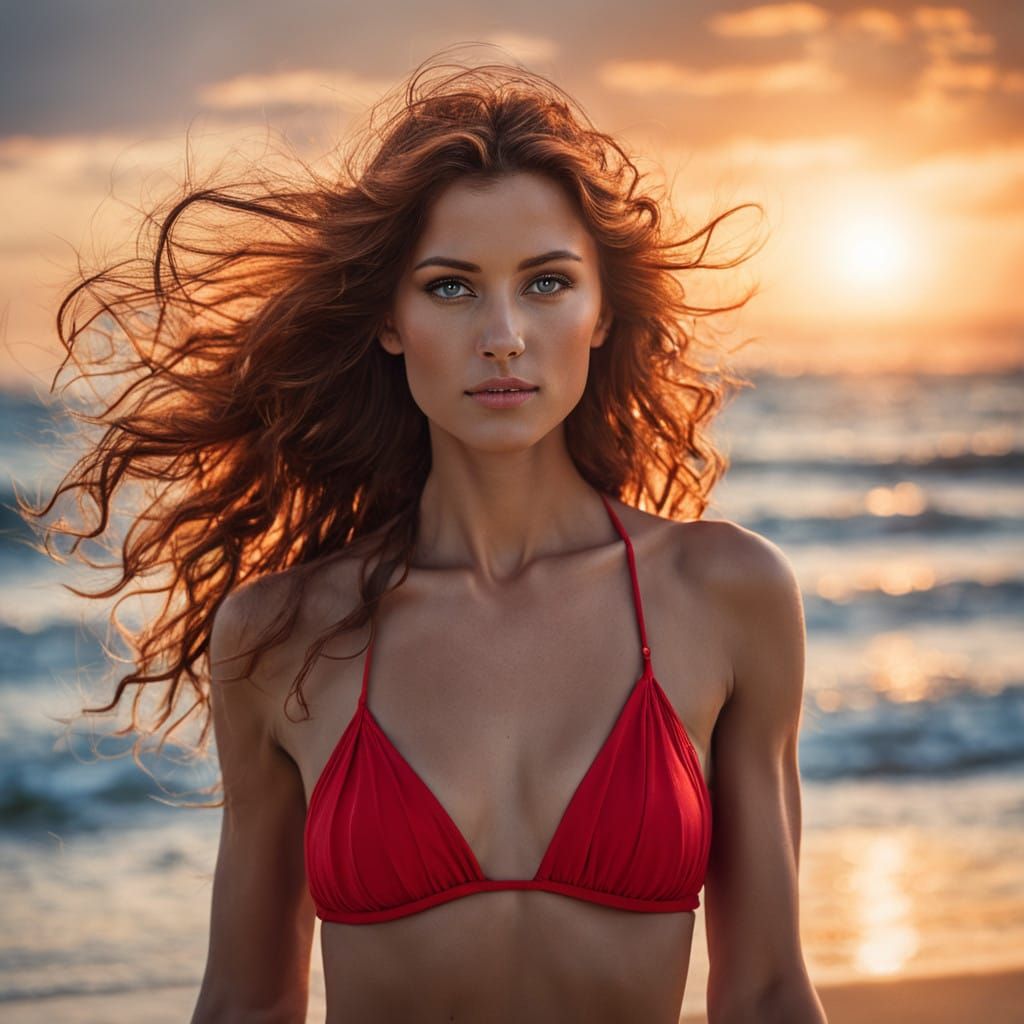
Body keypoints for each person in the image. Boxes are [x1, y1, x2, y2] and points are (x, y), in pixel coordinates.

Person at [22, 49, 827, 1024]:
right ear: (390, 319)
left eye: (546, 283)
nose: (503, 334)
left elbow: (768, 994)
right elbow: (245, 1003)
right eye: (451, 287)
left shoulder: (724, 594)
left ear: (602, 311)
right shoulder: (282, 632)